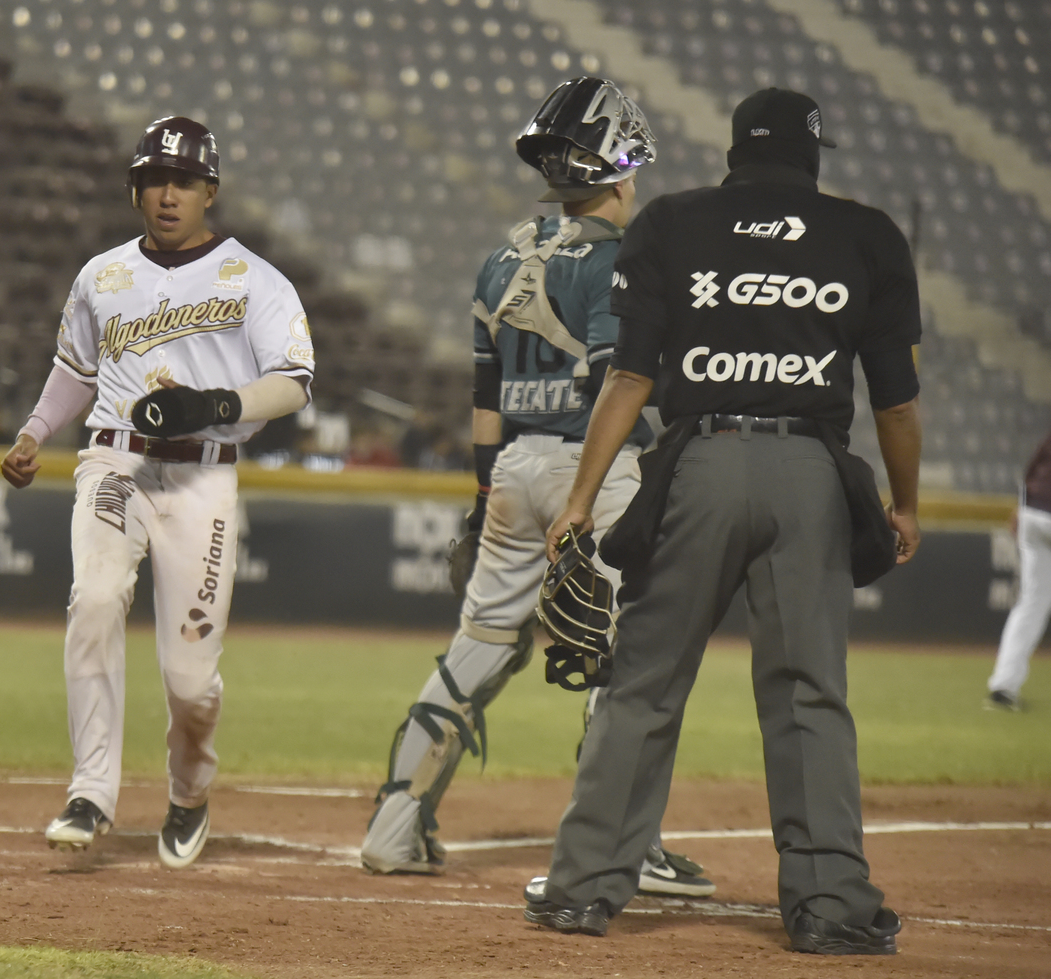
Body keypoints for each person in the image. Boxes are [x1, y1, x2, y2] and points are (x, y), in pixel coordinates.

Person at [527, 88, 922, 953]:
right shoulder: (869, 234)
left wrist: (582, 499)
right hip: (810, 473)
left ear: (735, 150)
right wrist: (906, 501)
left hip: (698, 462)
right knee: (808, 694)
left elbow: (627, 380)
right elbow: (895, 401)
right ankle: (829, 907)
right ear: (813, 155)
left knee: (644, 684)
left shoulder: (671, 221)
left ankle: (582, 889)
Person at [359, 77, 715, 898]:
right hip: (594, 472)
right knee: (632, 660)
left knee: (476, 649)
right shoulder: (617, 260)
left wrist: (487, 501)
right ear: (621, 172)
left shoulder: (501, 257)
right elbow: (612, 384)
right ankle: (630, 847)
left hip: (514, 469)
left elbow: (485, 401)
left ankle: (392, 829)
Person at [0, 116, 315, 868]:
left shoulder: (254, 279)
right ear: (135, 189)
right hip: (115, 463)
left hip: (202, 471)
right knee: (96, 601)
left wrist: (219, 405)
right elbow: (75, 368)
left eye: (183, 181)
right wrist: (36, 430)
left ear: (210, 191)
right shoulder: (101, 276)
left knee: (190, 679)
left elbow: (294, 383)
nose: (167, 194)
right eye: (154, 180)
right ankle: (91, 791)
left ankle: (189, 789)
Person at [986, 429, 1051, 710]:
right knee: (1033, 602)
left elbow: (1034, 464)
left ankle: (1004, 685)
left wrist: (1020, 506)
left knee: (1031, 603)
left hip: (1032, 512)